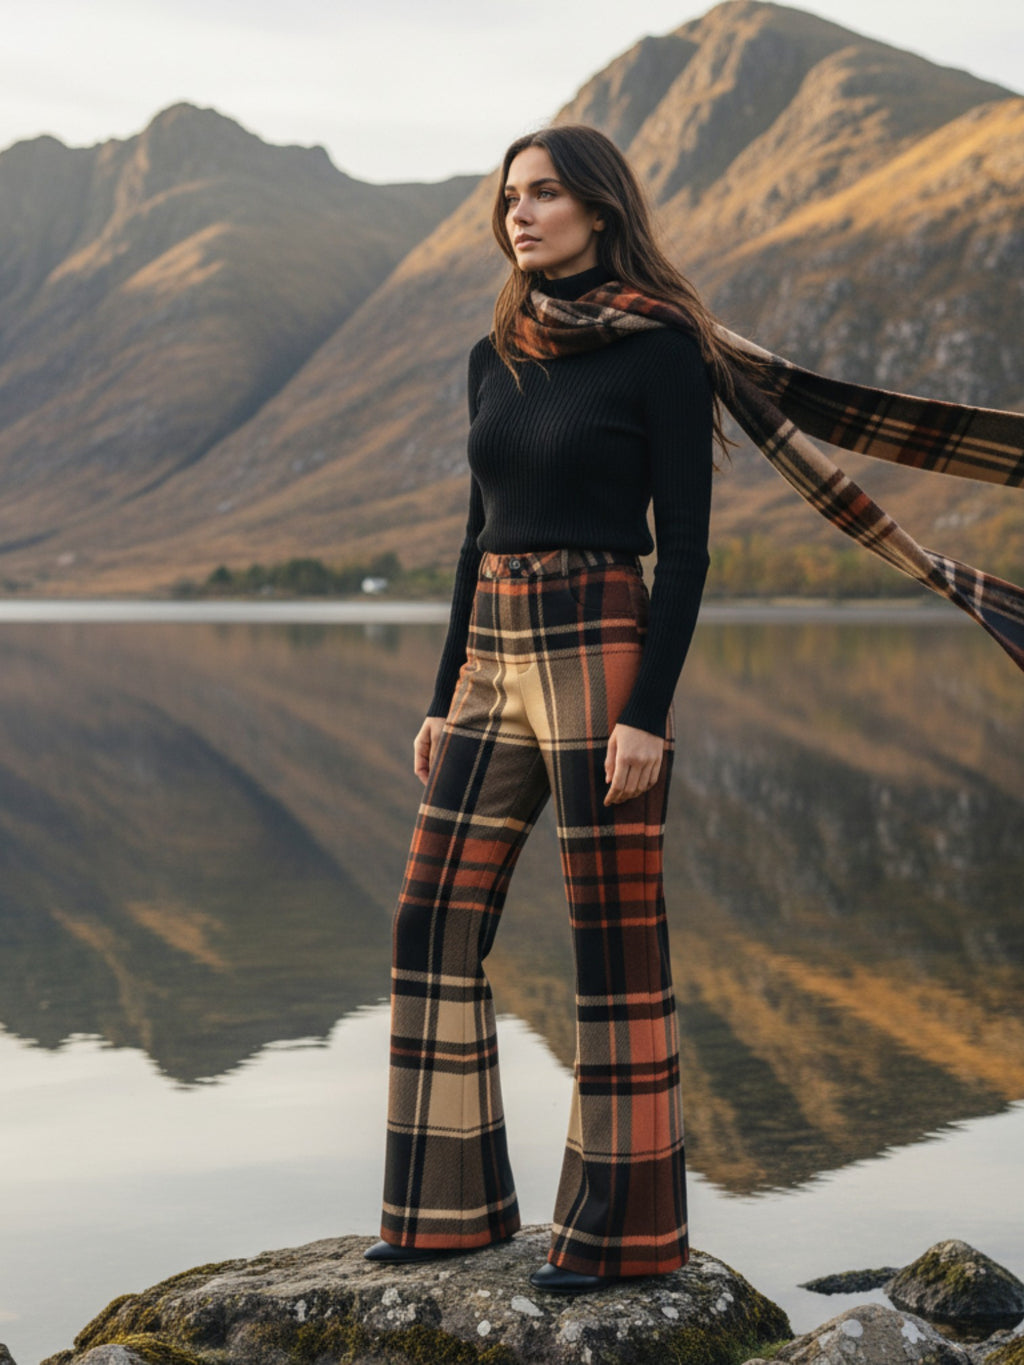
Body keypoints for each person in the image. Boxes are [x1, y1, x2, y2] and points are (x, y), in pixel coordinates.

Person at [362, 123, 767, 1296]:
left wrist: (648, 711)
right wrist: (442, 694)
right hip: (492, 646)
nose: (520, 215)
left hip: (600, 641)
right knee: (431, 918)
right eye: (509, 199)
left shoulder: (662, 351)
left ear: (599, 207)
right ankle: (443, 1212)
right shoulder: (493, 356)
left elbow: (685, 551)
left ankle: (617, 1236)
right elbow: (473, 537)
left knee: (612, 938)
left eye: (542, 194)